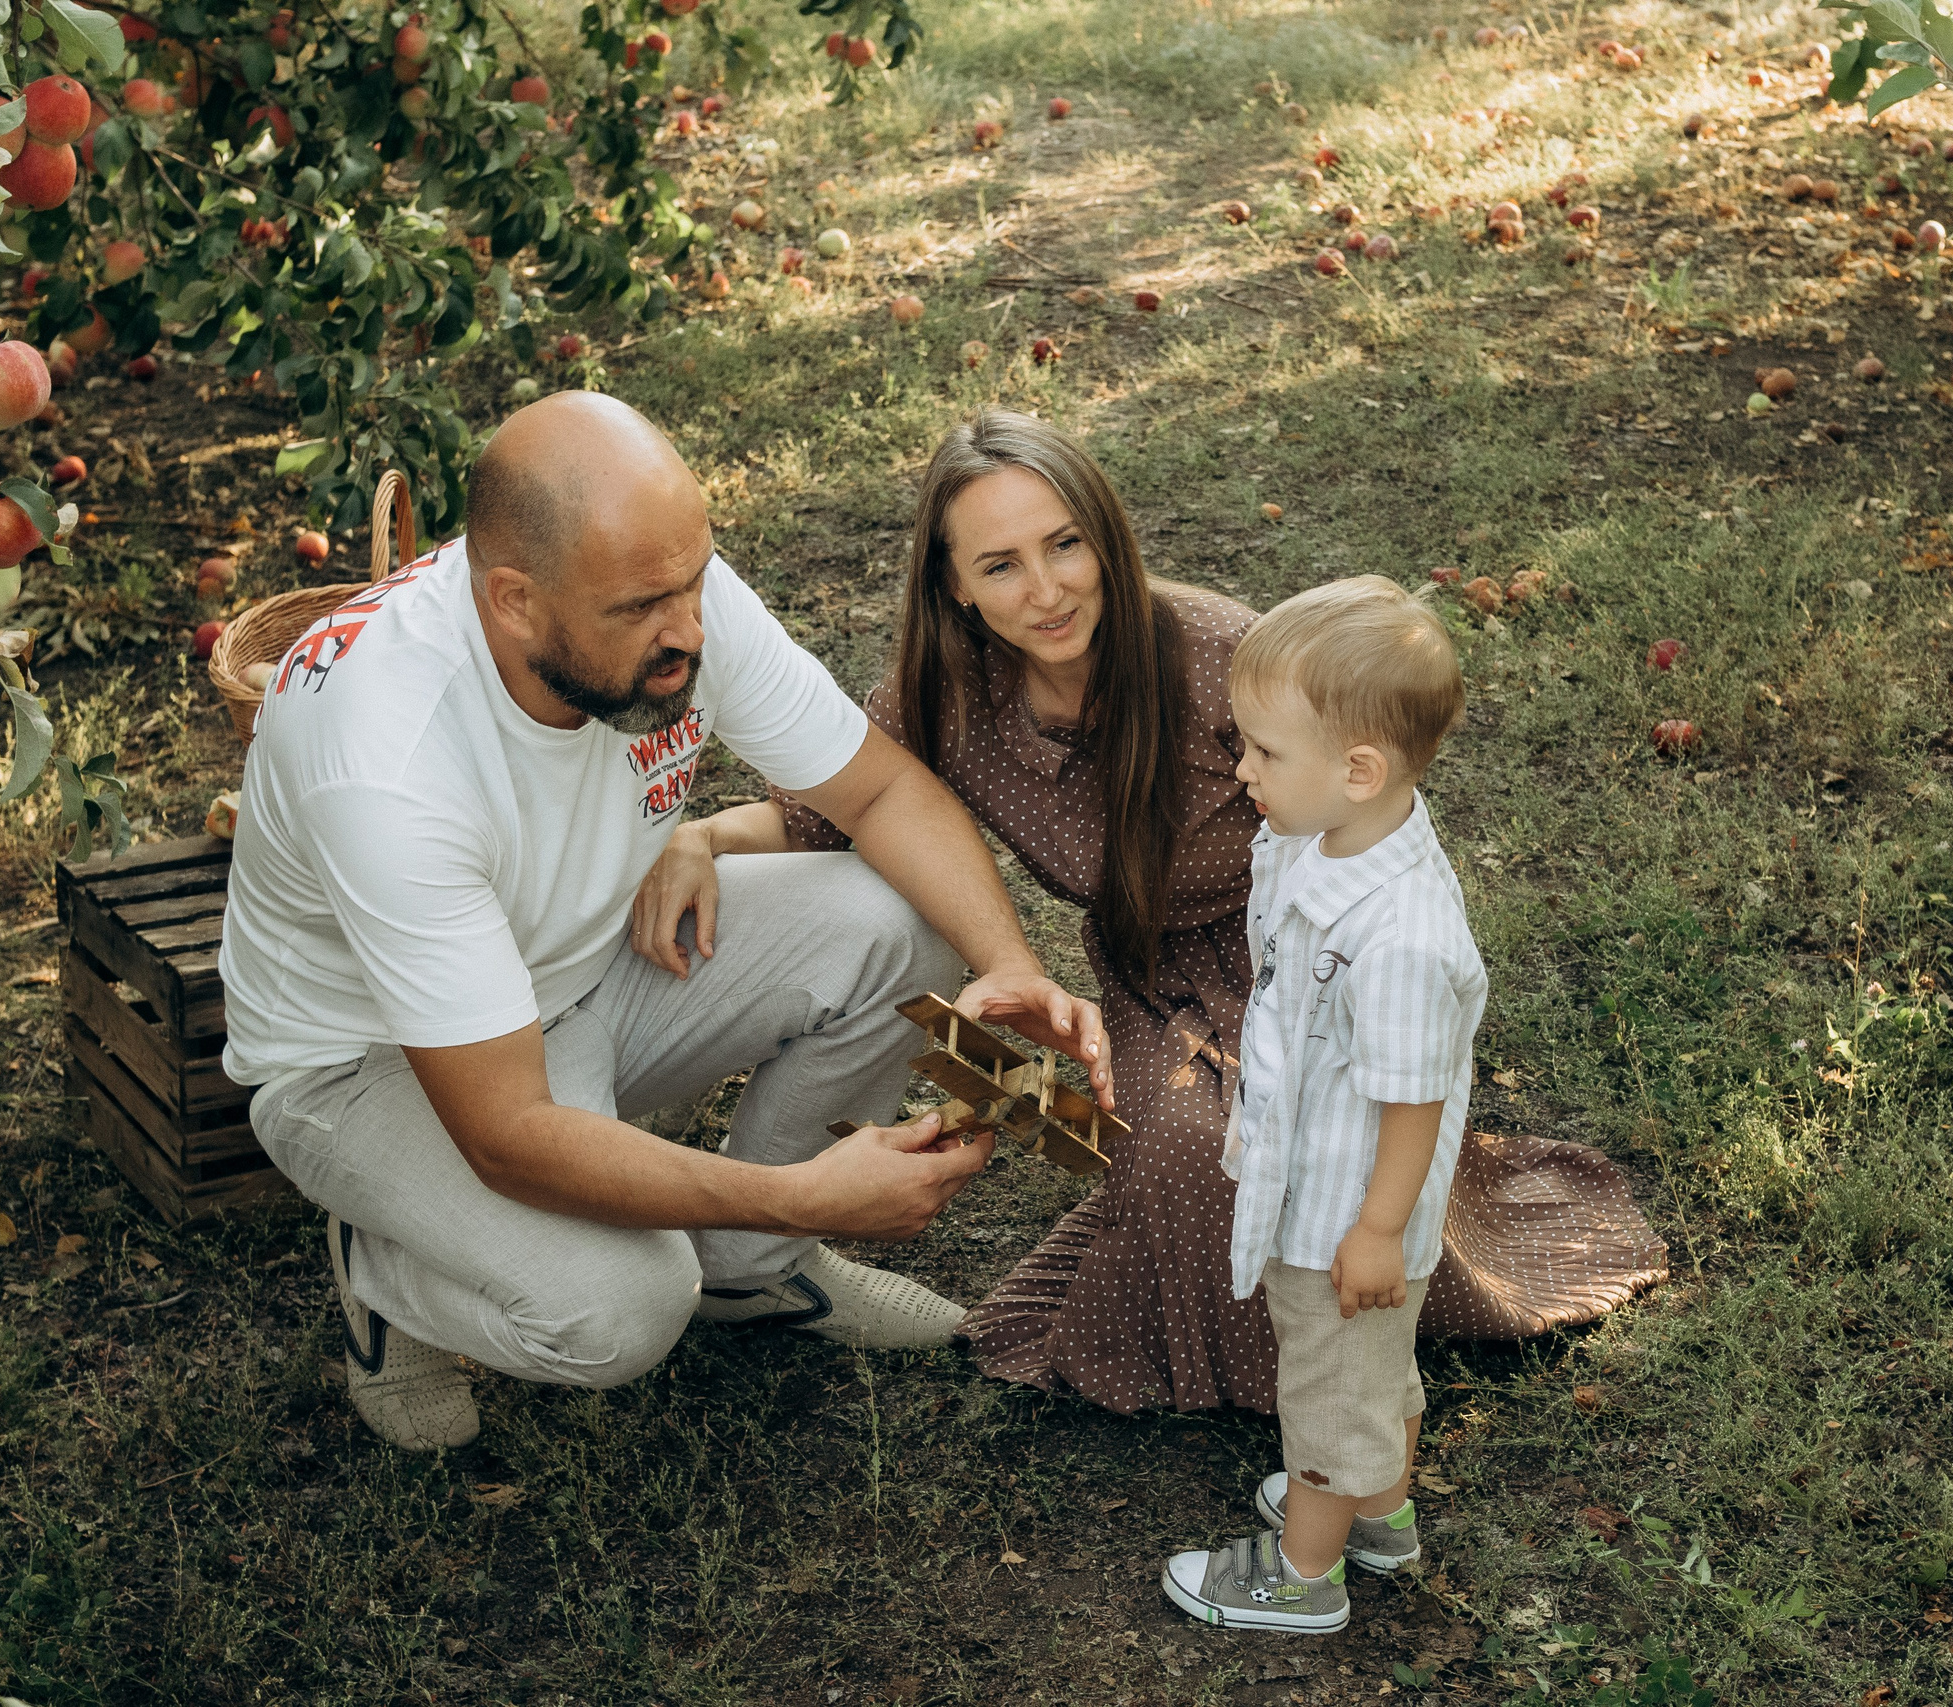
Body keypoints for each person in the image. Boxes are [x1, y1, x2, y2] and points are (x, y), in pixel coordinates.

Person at [695, 412, 1667, 1417]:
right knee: (1191, 1152)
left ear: (1104, 536)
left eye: (1065, 544)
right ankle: (1243, 1359)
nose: (1046, 589)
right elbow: (822, 807)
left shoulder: (1217, 655)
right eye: (1000, 565)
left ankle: (1351, 1328)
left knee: (1278, 1153)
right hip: (1151, 975)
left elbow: (1362, 799)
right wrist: (702, 840)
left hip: (1298, 949)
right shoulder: (945, 691)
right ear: (953, 584)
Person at [218, 392, 1109, 1453]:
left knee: (896, 918)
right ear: (512, 601)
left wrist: (1009, 964)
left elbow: (878, 796)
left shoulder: (654, 583)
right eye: (645, 606)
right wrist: (797, 1194)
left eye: (693, 583)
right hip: (375, 1065)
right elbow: (507, 1134)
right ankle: (390, 1269)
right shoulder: (387, 760)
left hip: (583, 968)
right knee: (622, 1315)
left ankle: (753, 1279)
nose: (687, 632)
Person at [1159, 576, 1481, 1633]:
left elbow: (1411, 1099)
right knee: (1369, 1374)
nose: (1240, 767)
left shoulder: (1401, 941)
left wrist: (1379, 1229)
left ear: (1358, 770)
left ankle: (1302, 1575)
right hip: (1326, 1183)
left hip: (1348, 1208)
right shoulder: (1328, 835)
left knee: (1331, 1390)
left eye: (1261, 752)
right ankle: (1379, 1520)